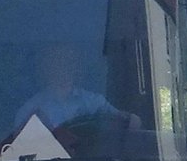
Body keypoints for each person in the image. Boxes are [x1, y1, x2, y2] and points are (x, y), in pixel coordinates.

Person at [12, 43, 141, 134]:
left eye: (69, 61)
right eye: (57, 61)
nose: (63, 66)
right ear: (45, 68)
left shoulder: (95, 102)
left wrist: (130, 120)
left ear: (77, 67)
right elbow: (20, 149)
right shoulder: (30, 111)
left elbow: (128, 123)